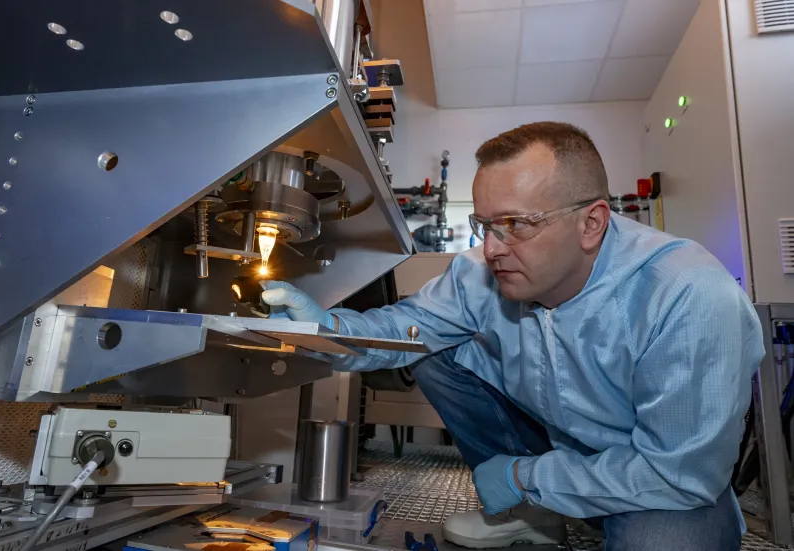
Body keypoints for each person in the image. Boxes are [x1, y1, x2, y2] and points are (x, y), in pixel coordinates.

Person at [260, 122, 763, 551]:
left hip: (662, 481)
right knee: (436, 352)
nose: (493, 248)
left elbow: (678, 475)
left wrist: (524, 478)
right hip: (560, 447)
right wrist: (325, 329)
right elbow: (404, 330)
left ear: (591, 223)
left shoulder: (686, 294)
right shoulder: (478, 273)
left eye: (516, 224)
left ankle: (533, 498)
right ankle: (537, 516)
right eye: (484, 225)